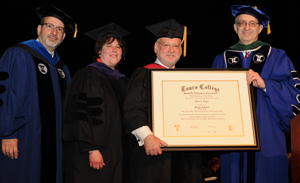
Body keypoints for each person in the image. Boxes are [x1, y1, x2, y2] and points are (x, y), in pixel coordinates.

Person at [212, 5, 300, 183]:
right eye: (242, 23)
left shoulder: (276, 56)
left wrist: (266, 85)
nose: (246, 27)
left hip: (268, 134)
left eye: (252, 23)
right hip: (232, 138)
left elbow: (294, 92)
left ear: (260, 28)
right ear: (235, 27)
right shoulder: (222, 59)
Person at [0, 4, 77, 183]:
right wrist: (7, 133)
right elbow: (7, 96)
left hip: (54, 143)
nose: (54, 32)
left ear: (64, 36)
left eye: (59, 29)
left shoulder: (62, 68)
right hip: (23, 137)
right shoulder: (19, 54)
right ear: (39, 29)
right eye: (49, 26)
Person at [123, 19, 203, 183]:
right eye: (166, 45)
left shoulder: (187, 79)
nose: (171, 50)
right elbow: (132, 109)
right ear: (156, 48)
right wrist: (147, 136)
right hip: (154, 151)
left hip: (183, 153)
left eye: (176, 46)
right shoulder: (144, 74)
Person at [61, 23, 130, 183]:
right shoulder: (89, 74)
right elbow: (81, 113)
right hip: (93, 154)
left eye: (119, 47)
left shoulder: (123, 82)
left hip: (116, 153)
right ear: (99, 50)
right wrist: (91, 148)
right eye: (109, 45)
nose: (115, 50)